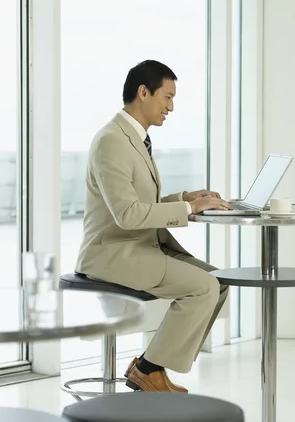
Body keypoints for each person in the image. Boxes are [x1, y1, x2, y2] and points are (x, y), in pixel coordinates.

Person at [75, 60, 232, 393]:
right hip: (113, 254)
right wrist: (188, 208)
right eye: (167, 97)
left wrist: (187, 197)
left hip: (141, 246)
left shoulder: (134, 138)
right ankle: (148, 370)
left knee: (217, 282)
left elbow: (141, 202)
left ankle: (150, 367)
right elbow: (128, 215)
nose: (171, 107)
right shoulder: (111, 141)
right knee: (202, 287)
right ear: (143, 92)